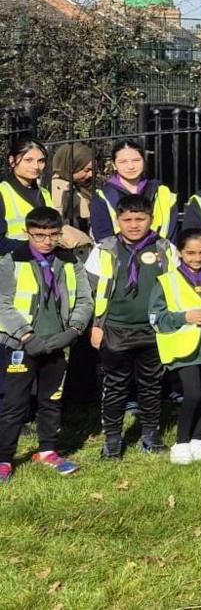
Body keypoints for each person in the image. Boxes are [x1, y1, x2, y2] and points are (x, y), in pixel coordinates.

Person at [0, 206, 92, 481]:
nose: (46, 241)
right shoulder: (10, 261)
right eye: (39, 235)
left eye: (53, 234)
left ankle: (47, 450)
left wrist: (73, 330)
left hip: (58, 341)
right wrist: (26, 336)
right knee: (14, 403)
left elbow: (85, 299)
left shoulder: (70, 260)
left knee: (51, 399)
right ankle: (4, 457)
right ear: (27, 232)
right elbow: (3, 304)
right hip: (20, 345)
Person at [88, 192, 176, 457]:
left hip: (153, 329)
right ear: (118, 220)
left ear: (151, 219)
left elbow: (175, 286)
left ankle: (150, 434)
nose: (134, 224)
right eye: (128, 219)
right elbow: (93, 290)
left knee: (151, 384)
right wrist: (97, 325)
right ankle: (112, 439)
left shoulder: (164, 248)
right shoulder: (104, 249)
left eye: (141, 218)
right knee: (115, 385)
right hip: (115, 327)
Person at [151, 227, 201, 465]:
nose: (197, 258)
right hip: (182, 349)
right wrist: (185, 317)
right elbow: (156, 317)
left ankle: (196, 440)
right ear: (180, 254)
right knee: (192, 394)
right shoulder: (166, 281)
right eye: (190, 253)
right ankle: (181, 442)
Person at [90, 140, 178, 243]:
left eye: (136, 160)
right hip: (118, 256)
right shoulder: (103, 197)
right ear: (114, 165)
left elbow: (172, 233)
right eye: (123, 162)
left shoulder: (163, 193)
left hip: (160, 254)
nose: (131, 166)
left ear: (144, 161)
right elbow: (103, 238)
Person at [1, 141, 51, 252]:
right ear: (12, 161)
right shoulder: (3, 192)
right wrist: (35, 246)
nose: (36, 166)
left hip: (41, 264)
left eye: (41, 161)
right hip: (11, 264)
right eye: (28, 160)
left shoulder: (45, 193)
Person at [48, 142, 96, 236]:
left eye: (93, 170)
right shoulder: (62, 189)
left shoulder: (79, 186)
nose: (91, 174)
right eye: (86, 170)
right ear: (71, 167)